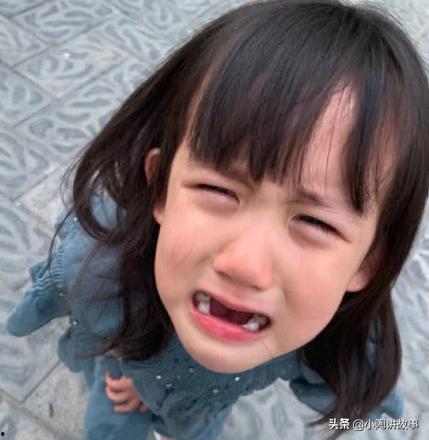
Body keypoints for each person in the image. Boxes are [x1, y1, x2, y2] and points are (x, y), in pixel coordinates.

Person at [6, 0, 429, 439]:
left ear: (367, 261)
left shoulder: (333, 340)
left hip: (200, 415)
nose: (245, 265)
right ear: (160, 189)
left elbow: (372, 407)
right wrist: (127, 368)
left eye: (316, 222)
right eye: (218, 190)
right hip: (121, 388)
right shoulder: (103, 270)